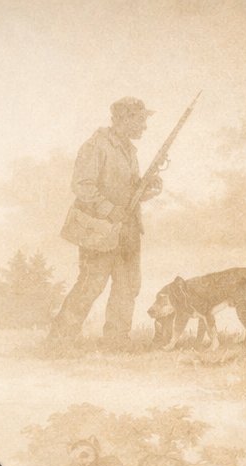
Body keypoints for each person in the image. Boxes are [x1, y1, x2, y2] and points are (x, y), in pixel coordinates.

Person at [47, 97, 164, 347]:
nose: (144, 126)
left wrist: (146, 187)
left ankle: (116, 340)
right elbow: (82, 186)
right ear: (124, 119)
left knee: (128, 285)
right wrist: (109, 210)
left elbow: (128, 191)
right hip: (100, 230)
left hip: (128, 228)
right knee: (91, 284)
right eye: (140, 120)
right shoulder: (96, 146)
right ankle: (60, 338)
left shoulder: (129, 149)